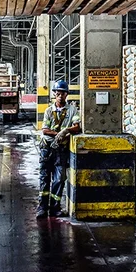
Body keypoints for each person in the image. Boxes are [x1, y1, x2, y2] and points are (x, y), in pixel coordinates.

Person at [37, 80, 81, 218]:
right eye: (57, 93)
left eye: (62, 93)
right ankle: (42, 207)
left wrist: (66, 130)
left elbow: (77, 127)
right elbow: (45, 130)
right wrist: (58, 134)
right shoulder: (49, 111)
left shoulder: (72, 110)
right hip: (47, 148)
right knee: (45, 177)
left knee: (59, 179)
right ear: (54, 94)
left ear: (66, 94)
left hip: (61, 150)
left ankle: (55, 207)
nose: (60, 95)